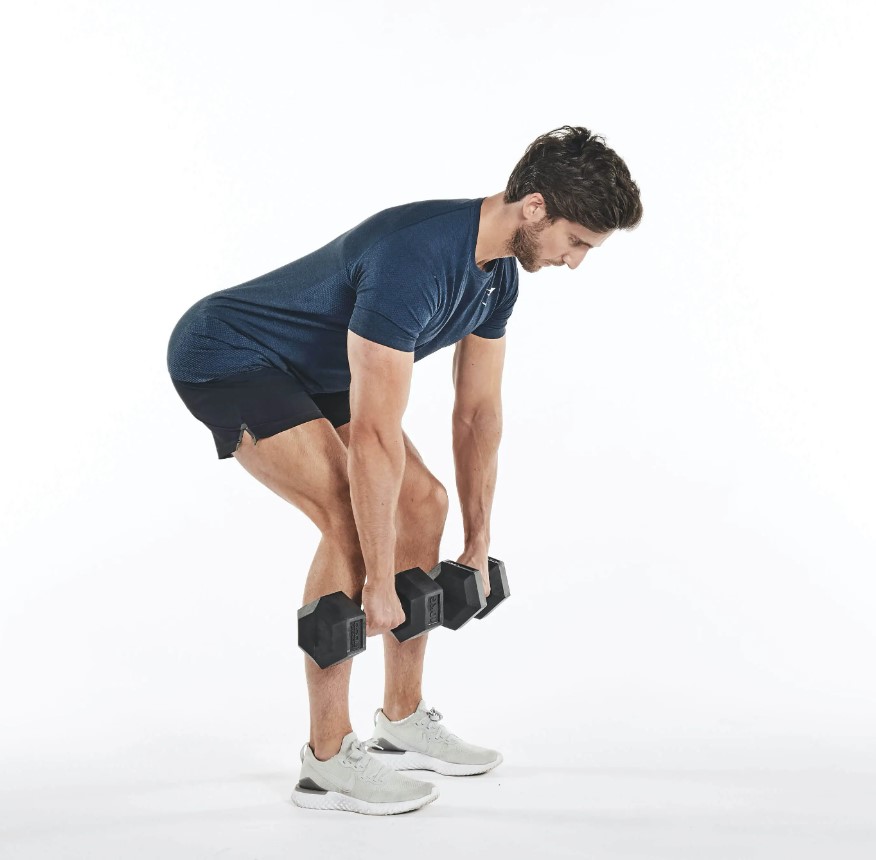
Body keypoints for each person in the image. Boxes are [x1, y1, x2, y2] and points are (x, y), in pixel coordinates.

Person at [166, 125, 642, 815]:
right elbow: (379, 438)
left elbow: (478, 416)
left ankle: (402, 718)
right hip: (233, 356)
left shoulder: (498, 279)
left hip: (322, 372)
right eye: (577, 243)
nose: (574, 263)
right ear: (534, 207)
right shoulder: (414, 258)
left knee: (424, 504)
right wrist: (380, 582)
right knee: (351, 521)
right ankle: (326, 760)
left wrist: (477, 546)